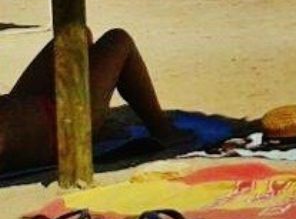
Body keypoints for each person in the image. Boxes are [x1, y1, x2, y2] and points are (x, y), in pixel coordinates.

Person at [0, 29, 178, 171]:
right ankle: (163, 129)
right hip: (61, 128)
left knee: (76, 35)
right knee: (118, 40)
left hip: (22, 108)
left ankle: (100, 122)